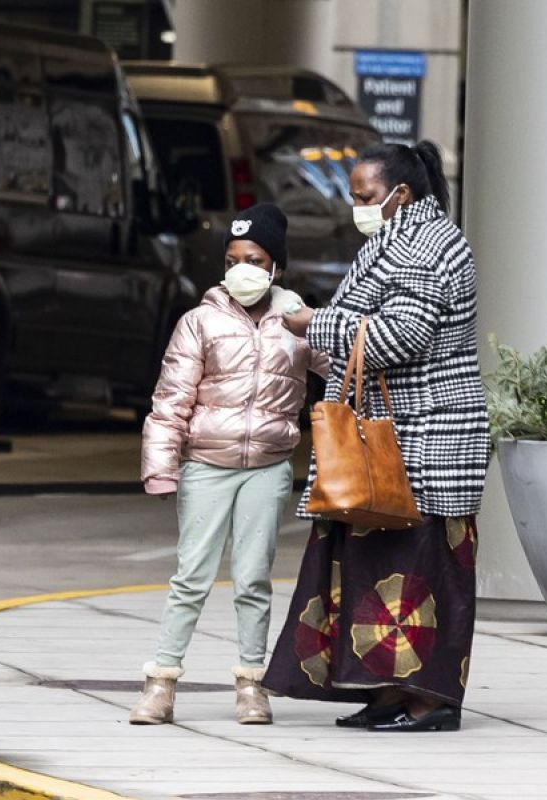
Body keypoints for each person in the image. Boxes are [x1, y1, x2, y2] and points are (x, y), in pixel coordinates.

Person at [263, 141, 490, 733]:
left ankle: (429, 699)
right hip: (404, 433)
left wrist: (318, 322)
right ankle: (391, 691)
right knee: (384, 562)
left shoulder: (420, 245)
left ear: (402, 194)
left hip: (425, 434)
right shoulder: (405, 238)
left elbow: (401, 336)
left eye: (365, 197)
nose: (358, 207)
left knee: (421, 567)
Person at [131, 203, 328, 726]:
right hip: (207, 465)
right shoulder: (199, 322)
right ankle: (161, 682)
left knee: (253, 579)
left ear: (276, 268)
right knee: (191, 577)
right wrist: (161, 465)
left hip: (268, 466)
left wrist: (334, 325)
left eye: (256, 258)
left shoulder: (299, 323)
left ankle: (251, 685)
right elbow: (171, 398)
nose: (243, 268)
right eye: (234, 258)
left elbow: (344, 366)